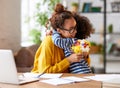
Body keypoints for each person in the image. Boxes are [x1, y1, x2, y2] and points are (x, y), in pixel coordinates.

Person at [31, 3, 90, 73]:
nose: (75, 31)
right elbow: (44, 72)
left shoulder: (72, 40)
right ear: (59, 30)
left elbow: (83, 67)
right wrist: (68, 60)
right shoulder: (49, 41)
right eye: (71, 29)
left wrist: (85, 55)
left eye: (75, 27)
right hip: (42, 81)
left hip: (65, 80)